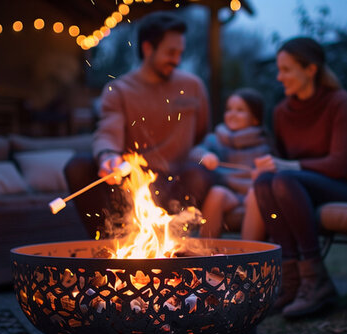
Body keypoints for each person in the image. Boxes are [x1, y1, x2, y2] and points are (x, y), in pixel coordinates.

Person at [254, 37, 347, 317]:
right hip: (304, 188)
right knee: (264, 182)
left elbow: (337, 164)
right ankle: (291, 282)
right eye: (279, 69)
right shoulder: (282, 112)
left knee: (284, 179)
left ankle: (316, 280)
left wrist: (287, 165)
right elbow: (279, 169)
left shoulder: (338, 101)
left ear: (310, 69)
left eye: (286, 69)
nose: (278, 76)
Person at [64, 11, 213, 238]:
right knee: (78, 166)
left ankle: (174, 247)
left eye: (180, 53)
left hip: (176, 181)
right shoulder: (120, 90)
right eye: (171, 52)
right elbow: (107, 131)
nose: (177, 60)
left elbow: (202, 135)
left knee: (198, 172)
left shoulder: (193, 87)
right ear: (147, 49)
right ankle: (108, 244)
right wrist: (107, 157)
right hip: (130, 182)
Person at [191, 88, 270, 238]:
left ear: (255, 119)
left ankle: (249, 255)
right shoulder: (215, 140)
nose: (232, 115)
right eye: (229, 109)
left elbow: (275, 169)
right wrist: (206, 156)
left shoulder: (264, 145)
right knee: (216, 193)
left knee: (256, 194)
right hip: (229, 194)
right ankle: (207, 252)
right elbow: (194, 153)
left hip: (253, 194)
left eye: (240, 110)